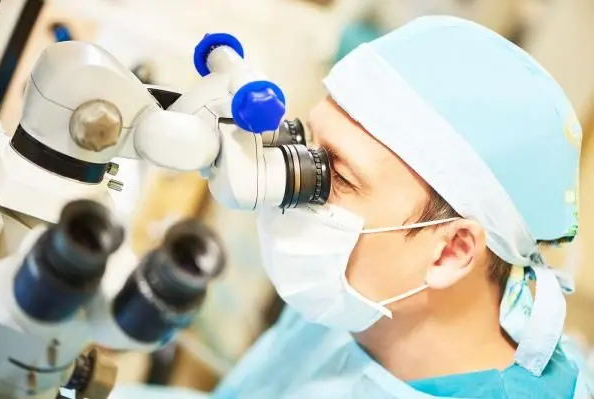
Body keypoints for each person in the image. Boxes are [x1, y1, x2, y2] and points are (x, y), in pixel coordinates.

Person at [111, 15, 590, 398]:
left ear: (450, 251)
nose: (289, 194)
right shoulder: (363, 302)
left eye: (334, 176)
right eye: (307, 145)